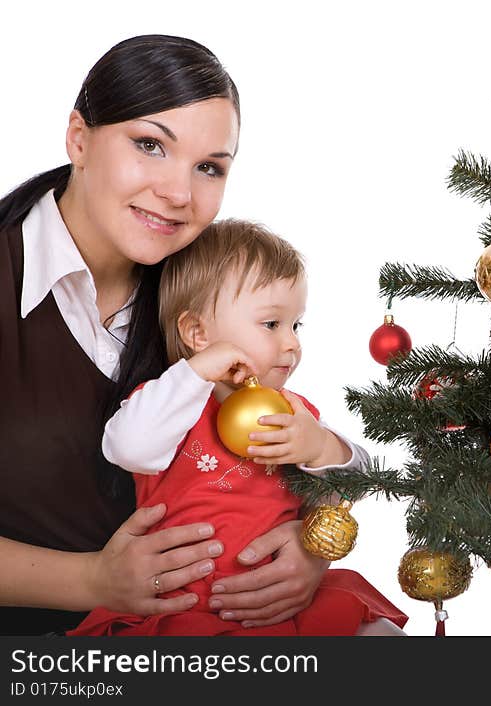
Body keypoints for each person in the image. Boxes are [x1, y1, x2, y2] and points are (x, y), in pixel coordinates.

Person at [0, 35, 356, 635]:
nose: (179, 195)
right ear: (79, 139)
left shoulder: (202, 288)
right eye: (149, 145)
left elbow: (278, 453)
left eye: (209, 167)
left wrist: (310, 542)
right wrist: (91, 581)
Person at [68, 220, 407, 635]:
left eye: (296, 325)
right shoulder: (169, 405)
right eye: (271, 324)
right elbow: (127, 448)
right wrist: (195, 374)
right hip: (184, 607)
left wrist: (320, 447)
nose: (292, 343)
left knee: (380, 632)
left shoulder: (291, 411)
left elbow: (355, 482)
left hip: (281, 603)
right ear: (198, 333)